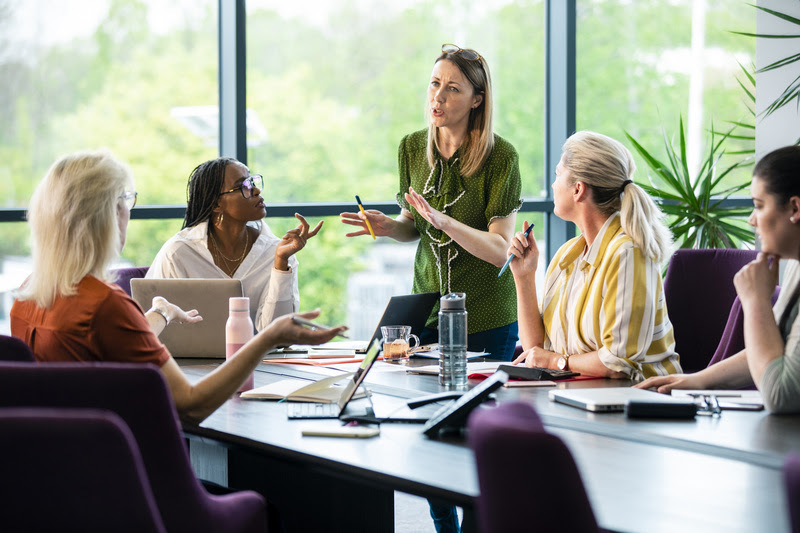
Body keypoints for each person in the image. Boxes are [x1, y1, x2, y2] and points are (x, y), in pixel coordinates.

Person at [10, 149, 346, 424]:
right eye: (125, 200)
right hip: (135, 479)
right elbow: (190, 405)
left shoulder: (25, 299)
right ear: (106, 215)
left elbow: (111, 351)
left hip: (60, 472)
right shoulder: (105, 306)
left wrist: (159, 313)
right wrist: (270, 336)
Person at [341, 43, 522, 363]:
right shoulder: (411, 148)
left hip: (486, 317)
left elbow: (500, 251)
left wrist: (446, 222)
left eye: (453, 89)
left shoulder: (500, 157)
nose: (438, 96)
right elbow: (412, 225)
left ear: (477, 100)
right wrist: (391, 227)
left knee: (477, 410)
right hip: (428, 314)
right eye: (435, 83)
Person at [637, 145, 800, 413]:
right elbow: (772, 353)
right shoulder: (795, 266)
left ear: (794, 208)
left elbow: (780, 396)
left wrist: (756, 301)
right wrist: (695, 381)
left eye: (759, 206)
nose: (751, 220)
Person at [507, 130, 682, 380]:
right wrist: (524, 277)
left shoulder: (627, 254)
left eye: (558, 174)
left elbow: (617, 363)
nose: (553, 184)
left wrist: (558, 361)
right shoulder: (568, 254)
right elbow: (536, 348)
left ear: (578, 189)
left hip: (637, 402)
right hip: (579, 395)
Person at [147, 157, 322, 331]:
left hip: (261, 359)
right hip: (190, 359)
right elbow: (159, 329)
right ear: (216, 204)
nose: (256, 190)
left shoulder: (277, 251)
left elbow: (278, 333)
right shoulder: (178, 253)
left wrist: (281, 263)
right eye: (243, 186)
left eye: (253, 182)